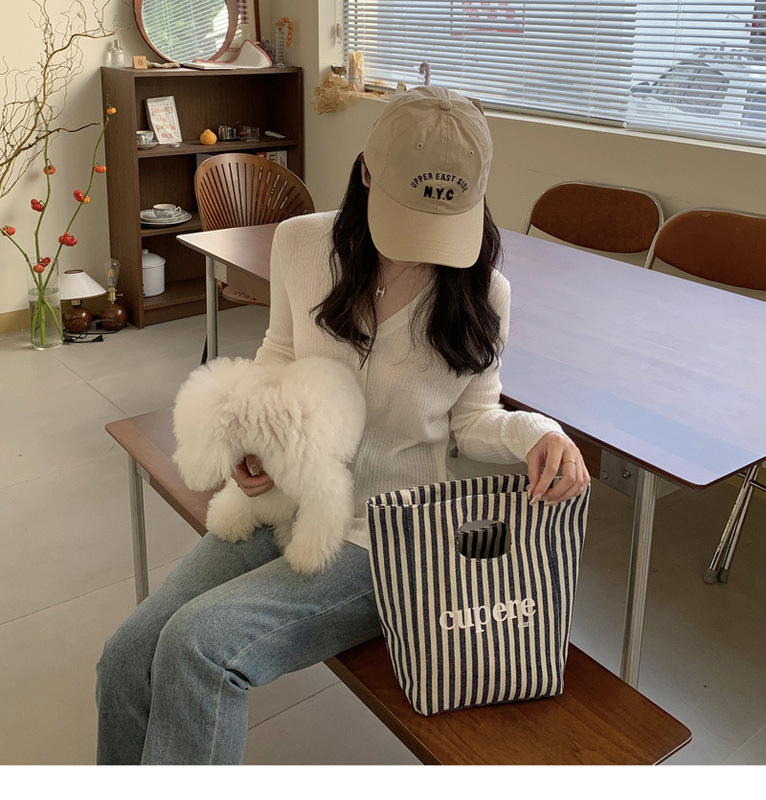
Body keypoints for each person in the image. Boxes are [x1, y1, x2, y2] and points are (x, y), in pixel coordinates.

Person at [96, 85, 590, 765]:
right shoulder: (302, 244)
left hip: (385, 536)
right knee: (126, 657)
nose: (424, 248)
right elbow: (280, 353)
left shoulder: (484, 293)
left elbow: (475, 417)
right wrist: (254, 440)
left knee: (199, 648)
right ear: (365, 174)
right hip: (280, 501)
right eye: (408, 217)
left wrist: (540, 434)